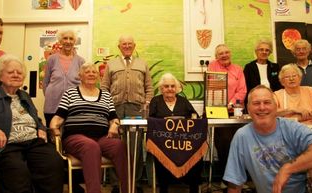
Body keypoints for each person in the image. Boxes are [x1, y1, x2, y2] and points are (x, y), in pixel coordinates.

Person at [223, 85, 312, 193]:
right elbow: (234, 183)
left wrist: (288, 168)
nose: (262, 107)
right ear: (248, 109)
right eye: (256, 103)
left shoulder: (291, 127)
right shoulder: (242, 136)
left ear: (276, 107)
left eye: (267, 102)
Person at [0, 54, 64, 193]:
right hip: (6, 145)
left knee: (53, 162)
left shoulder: (24, 95)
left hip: (33, 142)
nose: (16, 75)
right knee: (17, 172)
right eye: (10, 72)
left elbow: (35, 118)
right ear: (0, 75)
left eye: (19, 72)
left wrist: (40, 128)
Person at [50, 63, 128, 193]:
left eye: (94, 72)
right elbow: (59, 116)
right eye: (87, 72)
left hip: (102, 137)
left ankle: (128, 189)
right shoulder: (70, 93)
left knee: (119, 146)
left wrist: (115, 125)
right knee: (91, 146)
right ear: (80, 76)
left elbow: (114, 117)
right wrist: (54, 128)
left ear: (98, 77)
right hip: (75, 138)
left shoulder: (106, 95)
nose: (91, 74)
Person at [101, 34, 153, 193]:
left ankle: (134, 182)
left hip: (136, 109)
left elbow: (149, 88)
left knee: (135, 146)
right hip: (115, 108)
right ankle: (117, 184)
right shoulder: (111, 64)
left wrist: (147, 103)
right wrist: (107, 106)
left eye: (130, 44)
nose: (127, 46)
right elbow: (104, 87)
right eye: (124, 44)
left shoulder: (142, 63)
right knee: (115, 145)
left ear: (134, 46)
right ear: (119, 47)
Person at [149, 73, 202, 193]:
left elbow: (195, 117)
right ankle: (164, 187)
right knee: (160, 155)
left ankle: (193, 188)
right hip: (164, 142)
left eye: (172, 86)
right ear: (161, 88)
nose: (170, 89)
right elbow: (151, 120)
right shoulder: (155, 101)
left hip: (184, 141)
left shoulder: (183, 101)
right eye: (166, 86)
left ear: (176, 88)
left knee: (196, 153)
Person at [207, 44, 247, 188]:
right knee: (224, 144)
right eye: (220, 53)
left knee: (238, 143)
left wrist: (231, 103)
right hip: (218, 111)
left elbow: (242, 90)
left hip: (235, 110)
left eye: (226, 52)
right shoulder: (212, 67)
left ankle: (239, 180)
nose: (224, 55)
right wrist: (222, 105)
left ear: (230, 53)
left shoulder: (238, 69)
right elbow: (212, 86)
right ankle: (226, 180)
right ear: (216, 56)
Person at [42, 29, 85, 127]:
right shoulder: (51, 59)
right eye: (65, 38)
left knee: (71, 136)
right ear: (60, 41)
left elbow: (83, 85)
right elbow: (45, 82)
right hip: (52, 105)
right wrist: (51, 96)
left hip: (73, 106)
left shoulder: (81, 61)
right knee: (53, 136)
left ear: (74, 41)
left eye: (71, 39)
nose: (68, 41)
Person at [243, 39, 282, 106]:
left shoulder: (275, 67)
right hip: (255, 101)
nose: (264, 52)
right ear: (256, 52)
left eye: (267, 50)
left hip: (273, 100)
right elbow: (246, 87)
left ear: (270, 53)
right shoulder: (249, 67)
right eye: (261, 49)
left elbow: (280, 86)